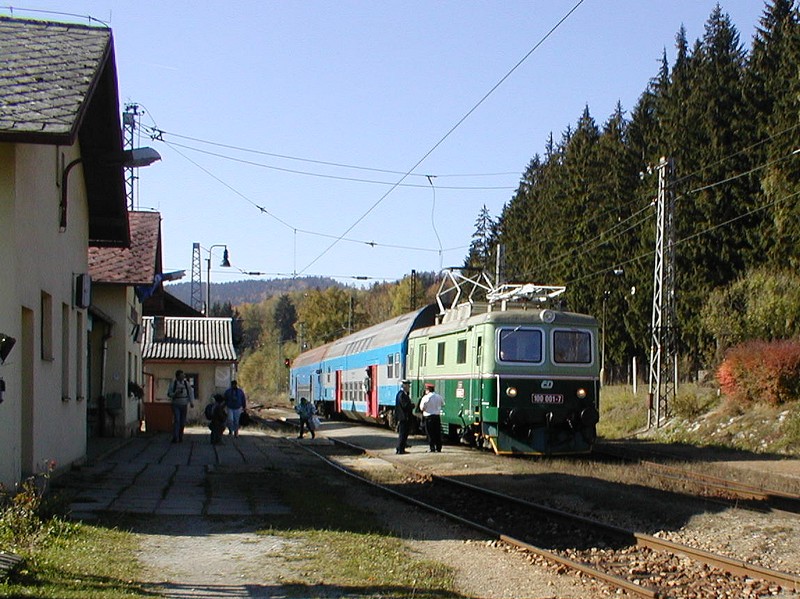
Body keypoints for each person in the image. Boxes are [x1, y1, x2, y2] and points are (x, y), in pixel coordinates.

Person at [167, 369, 194, 443]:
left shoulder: (186, 383)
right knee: (177, 420)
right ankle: (175, 437)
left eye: (183, 375)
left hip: (184, 404)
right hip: (176, 403)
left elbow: (190, 392)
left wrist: (191, 402)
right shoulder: (173, 383)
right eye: (181, 375)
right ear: (178, 376)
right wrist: (175, 394)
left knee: (182, 421)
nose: (183, 376)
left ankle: (180, 436)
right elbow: (169, 393)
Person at [419, 382, 444, 452]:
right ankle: (439, 448)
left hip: (428, 417)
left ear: (427, 389)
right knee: (437, 433)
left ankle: (432, 448)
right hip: (437, 417)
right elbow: (443, 404)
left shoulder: (426, 397)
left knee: (430, 433)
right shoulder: (439, 396)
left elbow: (422, 408)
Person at [395, 379, 414, 454]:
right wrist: (412, 405)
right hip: (404, 417)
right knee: (403, 434)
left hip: (403, 417)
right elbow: (405, 406)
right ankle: (400, 449)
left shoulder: (400, 394)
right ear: (404, 386)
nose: (409, 387)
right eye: (408, 385)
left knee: (403, 434)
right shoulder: (402, 395)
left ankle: (400, 448)